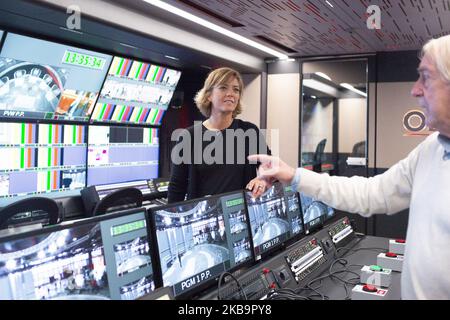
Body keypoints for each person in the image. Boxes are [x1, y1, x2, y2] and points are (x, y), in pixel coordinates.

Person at [249, 34, 450, 300]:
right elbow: (371, 193)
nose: (414, 89)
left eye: (425, 76)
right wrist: (294, 176)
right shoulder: (432, 149)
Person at [168, 67, 270, 203]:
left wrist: (262, 178)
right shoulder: (188, 137)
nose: (230, 94)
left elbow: (270, 166)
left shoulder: (249, 132)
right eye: (223, 88)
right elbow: (177, 187)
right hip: (204, 218)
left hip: (241, 216)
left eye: (236, 89)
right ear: (209, 95)